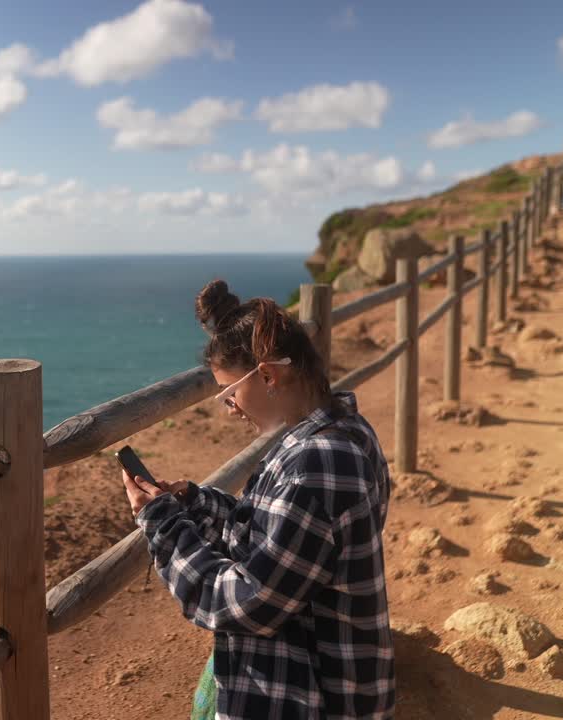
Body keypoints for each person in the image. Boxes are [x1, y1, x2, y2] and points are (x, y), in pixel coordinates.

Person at [121, 280, 395, 720]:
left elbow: (241, 603)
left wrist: (164, 525)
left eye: (229, 393)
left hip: (312, 696)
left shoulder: (316, 466)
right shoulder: (344, 432)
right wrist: (194, 503)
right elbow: (278, 538)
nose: (229, 408)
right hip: (322, 677)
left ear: (267, 375)